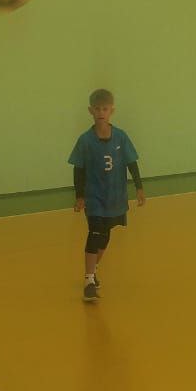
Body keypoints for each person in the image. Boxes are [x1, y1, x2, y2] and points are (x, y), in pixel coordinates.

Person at [69, 89, 144, 303]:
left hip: (115, 197)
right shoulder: (85, 140)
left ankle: (93, 270)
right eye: (97, 109)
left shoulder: (120, 136)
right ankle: (88, 281)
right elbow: (78, 169)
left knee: (105, 237)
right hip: (94, 197)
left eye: (105, 109)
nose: (101, 112)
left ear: (112, 111)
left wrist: (139, 187)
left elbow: (131, 162)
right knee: (95, 233)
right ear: (90, 111)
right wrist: (80, 195)